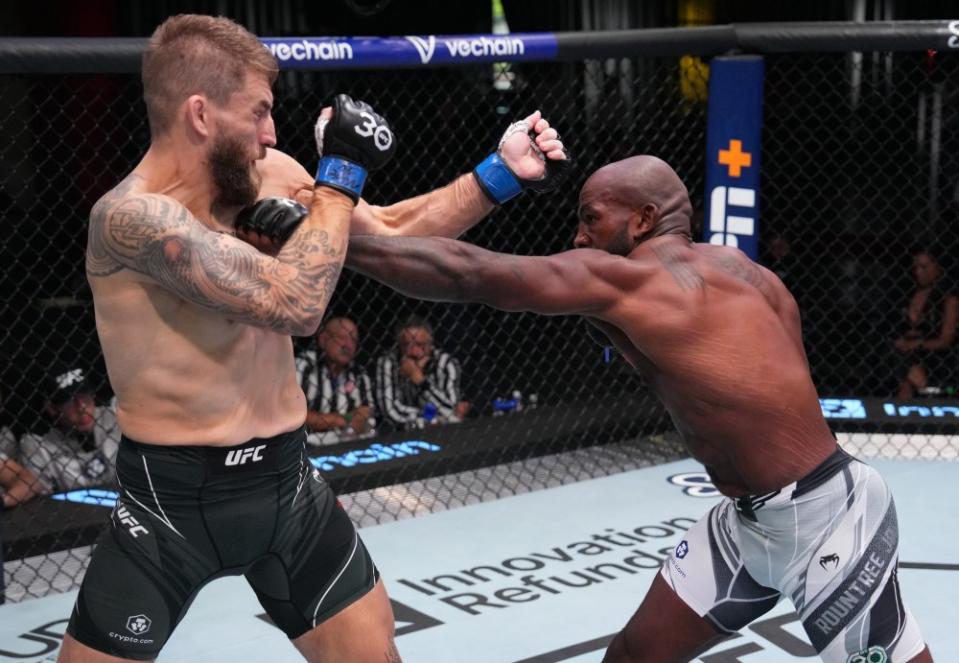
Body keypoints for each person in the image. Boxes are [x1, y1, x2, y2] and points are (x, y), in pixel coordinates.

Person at [69, 13, 566, 663]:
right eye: (258, 112)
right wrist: (339, 172)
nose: (272, 132)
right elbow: (296, 305)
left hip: (286, 488)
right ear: (199, 114)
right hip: (168, 507)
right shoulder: (130, 218)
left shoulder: (269, 171)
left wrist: (499, 173)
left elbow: (386, 231)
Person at [345, 155, 933, 662]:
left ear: (643, 219)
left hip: (827, 516)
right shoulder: (752, 276)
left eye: (591, 219)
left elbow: (468, 272)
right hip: (748, 522)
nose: (578, 237)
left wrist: (327, 242)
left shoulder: (632, 281)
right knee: (634, 655)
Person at [19, 366, 120, 493]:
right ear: (52, 408)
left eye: (84, 396)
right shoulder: (39, 444)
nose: (81, 407)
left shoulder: (116, 416)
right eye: (70, 400)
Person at [375, 315, 469, 428]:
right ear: (398, 345)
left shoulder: (446, 363)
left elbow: (451, 410)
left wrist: (420, 381)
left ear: (430, 344)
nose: (413, 351)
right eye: (406, 345)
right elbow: (390, 411)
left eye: (420, 345)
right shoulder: (388, 363)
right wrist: (430, 419)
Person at [296, 316, 375, 444]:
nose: (348, 345)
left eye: (353, 340)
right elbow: (295, 416)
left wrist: (323, 420)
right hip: (304, 445)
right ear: (323, 339)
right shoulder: (304, 365)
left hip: (347, 441)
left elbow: (365, 412)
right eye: (342, 337)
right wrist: (344, 419)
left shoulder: (358, 372)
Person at [893, 249, 958, 398]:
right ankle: (922, 390)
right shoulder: (907, 295)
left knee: (906, 369)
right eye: (915, 267)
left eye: (924, 267)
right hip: (906, 356)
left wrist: (916, 344)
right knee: (894, 355)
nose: (918, 272)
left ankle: (923, 390)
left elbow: (945, 340)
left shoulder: (949, 300)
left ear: (938, 267)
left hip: (934, 357)